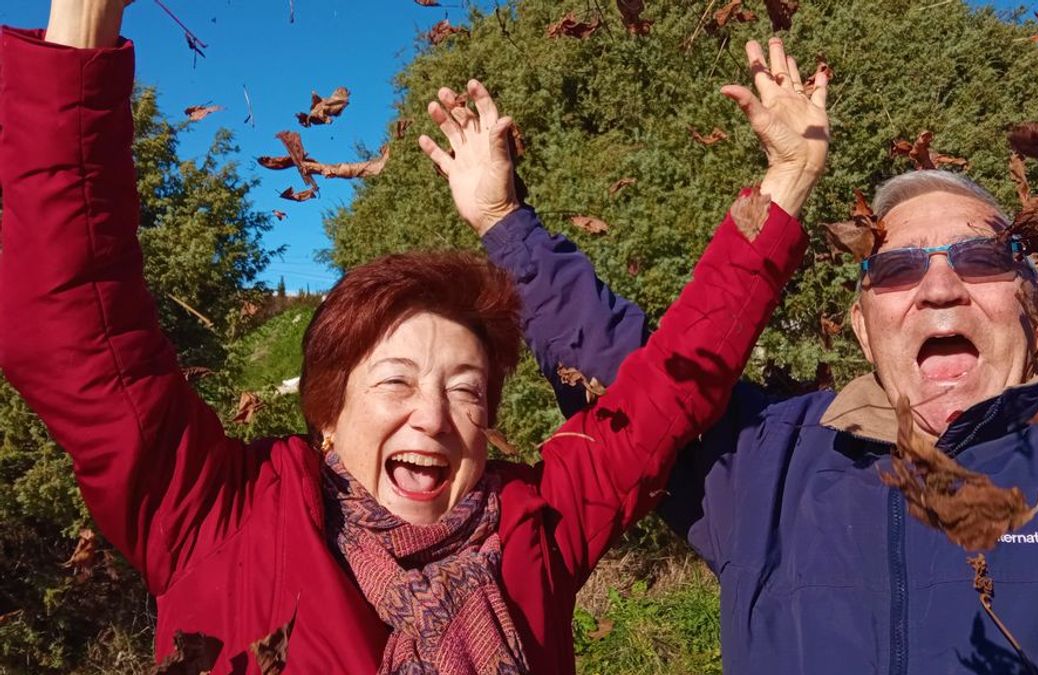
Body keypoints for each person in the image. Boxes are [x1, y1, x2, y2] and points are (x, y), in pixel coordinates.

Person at [0, 2, 826, 673]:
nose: (433, 415)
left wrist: (784, 187)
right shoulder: (217, 518)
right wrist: (85, 18)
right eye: (394, 381)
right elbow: (71, 315)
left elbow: (667, 391)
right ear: (326, 412)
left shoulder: (533, 527)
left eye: (466, 389)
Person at [474, 77, 1038, 675]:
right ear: (862, 326)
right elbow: (632, 375)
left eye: (979, 259)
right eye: (896, 268)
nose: (939, 288)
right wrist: (503, 220)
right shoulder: (768, 465)